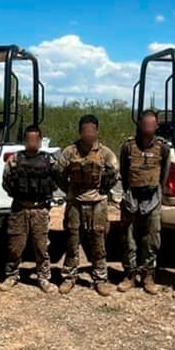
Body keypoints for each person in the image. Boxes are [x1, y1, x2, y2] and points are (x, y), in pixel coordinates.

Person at [56, 114, 120, 296]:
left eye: (92, 131)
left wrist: (103, 191)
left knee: (98, 240)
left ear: (97, 132)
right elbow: (58, 173)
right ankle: (69, 277)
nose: (89, 134)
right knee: (72, 239)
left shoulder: (106, 153)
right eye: (85, 131)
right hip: (75, 201)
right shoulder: (70, 152)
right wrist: (69, 190)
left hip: (98, 202)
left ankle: (100, 278)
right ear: (80, 132)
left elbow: (114, 173)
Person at [117, 109, 170, 295]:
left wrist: (158, 191)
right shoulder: (128, 147)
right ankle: (129, 274)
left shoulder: (163, 147)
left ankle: (148, 276)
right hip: (132, 196)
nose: (148, 127)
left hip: (153, 197)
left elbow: (165, 172)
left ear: (156, 126)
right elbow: (123, 172)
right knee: (129, 238)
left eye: (152, 124)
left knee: (152, 239)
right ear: (139, 125)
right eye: (144, 123)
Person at [0, 125, 57, 293]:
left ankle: (43, 278)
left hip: (40, 209)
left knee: (41, 247)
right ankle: (12, 275)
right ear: (25, 141)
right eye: (29, 139)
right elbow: (6, 181)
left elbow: (56, 180)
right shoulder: (15, 159)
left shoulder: (49, 160)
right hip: (19, 208)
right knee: (14, 245)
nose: (32, 142)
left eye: (35, 139)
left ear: (40, 141)